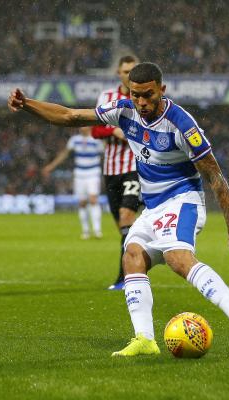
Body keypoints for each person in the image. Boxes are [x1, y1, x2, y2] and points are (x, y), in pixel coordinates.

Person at [7, 62, 229, 357]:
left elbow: (215, 176)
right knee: (132, 256)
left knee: (178, 258)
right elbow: (70, 116)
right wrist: (26, 104)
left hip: (183, 200)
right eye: (135, 95)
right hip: (153, 207)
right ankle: (145, 339)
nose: (141, 102)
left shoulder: (182, 124)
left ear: (162, 90)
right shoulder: (124, 110)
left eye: (148, 95)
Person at [92, 55, 141, 290]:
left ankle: (125, 278)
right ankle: (140, 257)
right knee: (124, 228)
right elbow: (95, 130)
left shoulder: (144, 98)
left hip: (135, 168)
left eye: (133, 70)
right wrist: (113, 131)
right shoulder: (107, 98)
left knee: (126, 218)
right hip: (111, 169)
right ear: (118, 73)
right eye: (125, 71)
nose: (129, 75)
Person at [43, 127, 104, 239]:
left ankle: (97, 230)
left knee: (93, 200)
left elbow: (105, 154)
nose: (81, 128)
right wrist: (51, 166)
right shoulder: (74, 140)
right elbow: (64, 154)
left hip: (93, 172)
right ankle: (85, 231)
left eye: (83, 125)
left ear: (89, 126)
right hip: (79, 174)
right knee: (82, 202)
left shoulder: (97, 140)